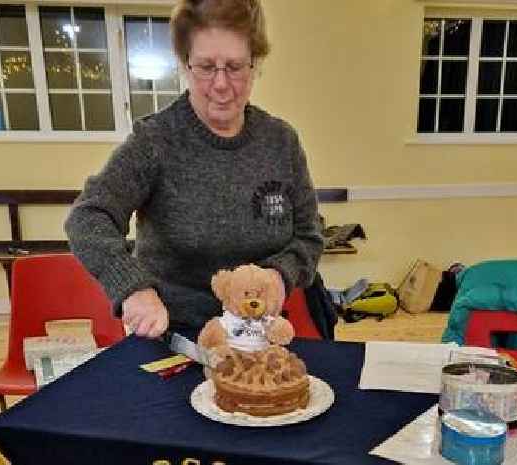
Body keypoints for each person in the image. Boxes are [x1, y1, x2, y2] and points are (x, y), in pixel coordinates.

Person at [64, 0, 323, 339]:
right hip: (175, 335)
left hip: (262, 331)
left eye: (234, 66)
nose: (220, 83)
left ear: (254, 64)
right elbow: (87, 217)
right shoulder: (155, 140)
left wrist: (280, 274)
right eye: (205, 66)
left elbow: (309, 234)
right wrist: (132, 287)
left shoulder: (281, 141)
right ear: (185, 66)